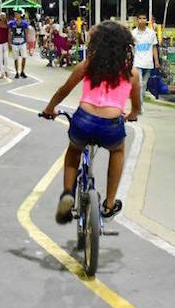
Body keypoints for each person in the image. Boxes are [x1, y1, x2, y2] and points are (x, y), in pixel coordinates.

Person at [41, 21, 142, 222]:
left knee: (74, 150)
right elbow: (137, 105)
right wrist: (131, 115)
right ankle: (110, 204)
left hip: (83, 120)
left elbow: (63, 90)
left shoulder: (87, 65)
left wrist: (49, 109)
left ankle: (68, 194)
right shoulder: (132, 73)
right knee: (118, 150)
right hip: (111, 124)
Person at [131, 13, 161, 87]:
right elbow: (129, 46)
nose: (142, 20)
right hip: (137, 62)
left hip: (148, 62)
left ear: (146, 20)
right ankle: (139, 98)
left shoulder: (151, 33)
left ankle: (141, 98)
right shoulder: (133, 33)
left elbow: (154, 47)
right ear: (137, 20)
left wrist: (156, 61)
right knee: (140, 83)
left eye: (144, 18)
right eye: (140, 18)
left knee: (144, 84)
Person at [9, 11, 31, 78]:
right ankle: (17, 72)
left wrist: (27, 42)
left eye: (17, 14)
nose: (16, 15)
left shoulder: (24, 23)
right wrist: (9, 42)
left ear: (20, 15)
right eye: (15, 14)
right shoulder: (11, 23)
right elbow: (9, 33)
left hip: (22, 42)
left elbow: (27, 33)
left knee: (24, 57)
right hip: (14, 43)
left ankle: (22, 71)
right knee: (16, 58)